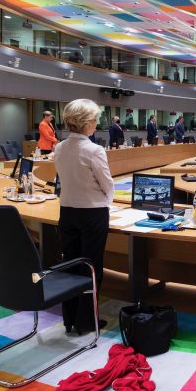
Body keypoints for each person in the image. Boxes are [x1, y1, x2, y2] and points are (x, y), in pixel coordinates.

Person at [54, 99, 115, 332]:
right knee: (91, 266)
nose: (97, 123)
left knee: (70, 265)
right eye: (96, 120)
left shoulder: (60, 147)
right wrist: (107, 203)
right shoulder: (94, 150)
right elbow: (107, 184)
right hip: (92, 213)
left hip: (67, 211)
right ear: (87, 122)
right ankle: (87, 321)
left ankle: (69, 318)